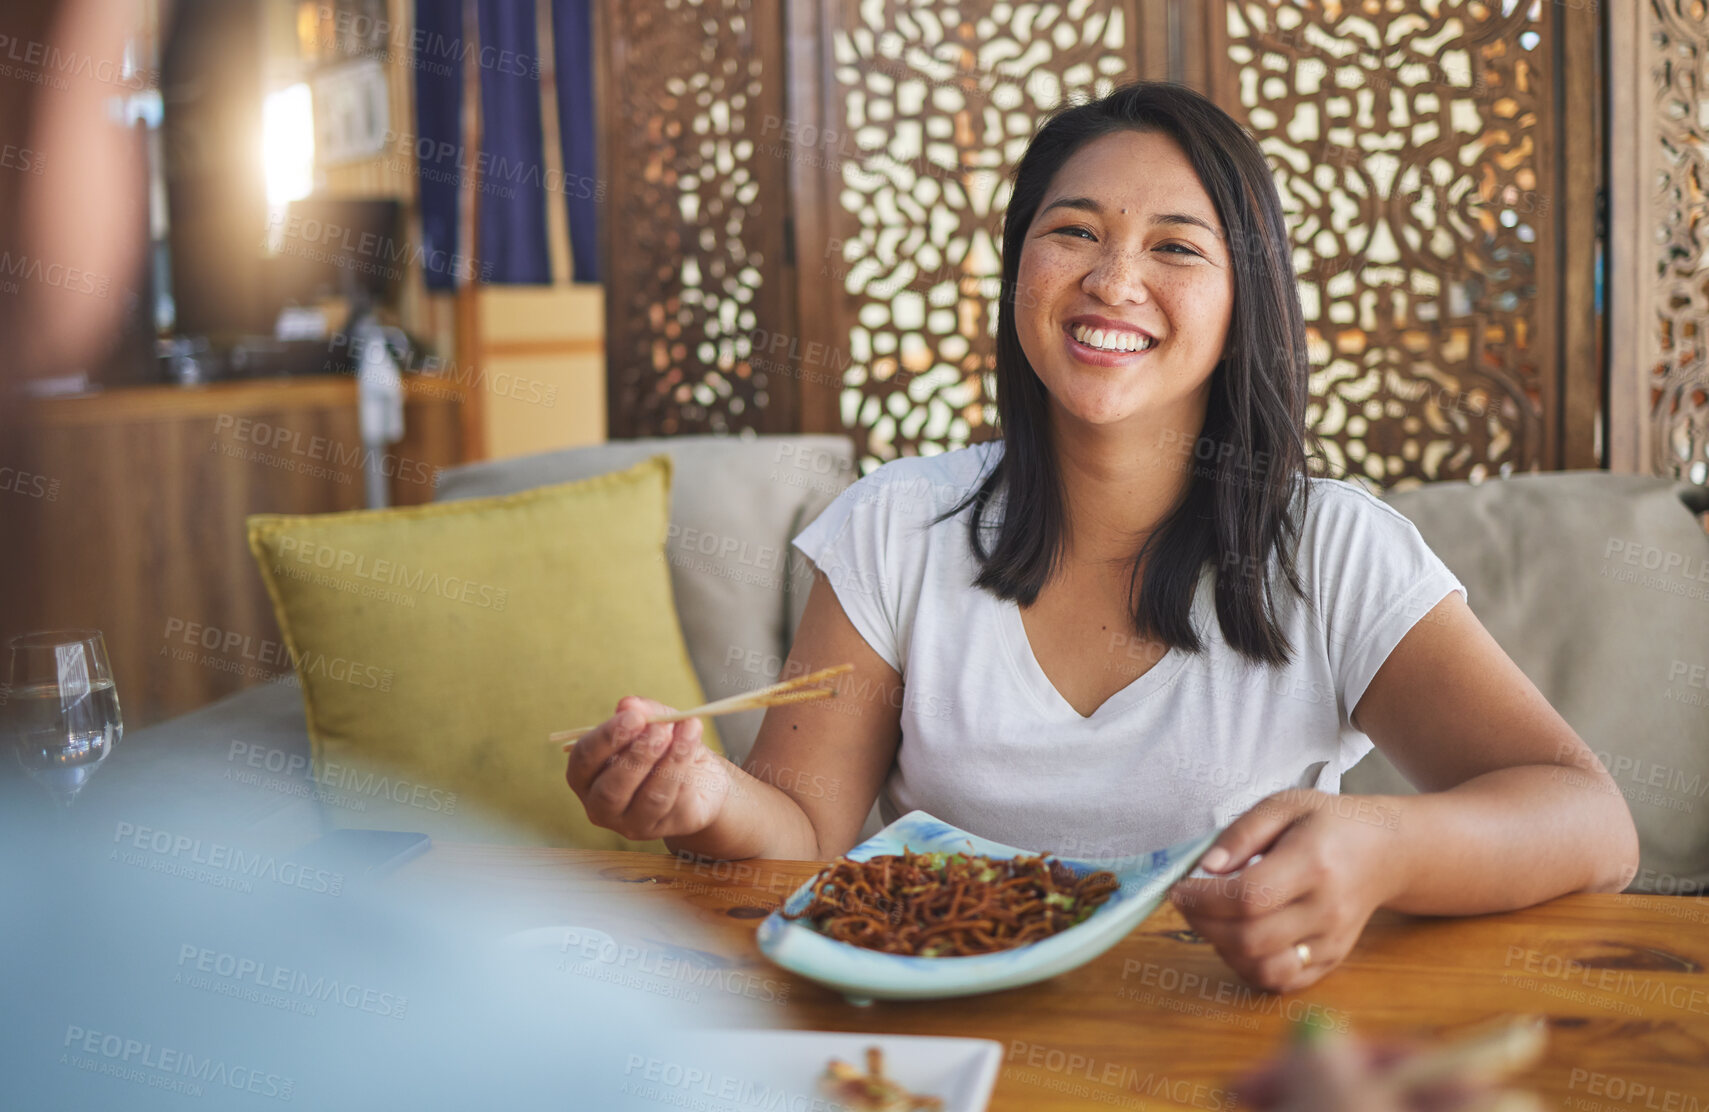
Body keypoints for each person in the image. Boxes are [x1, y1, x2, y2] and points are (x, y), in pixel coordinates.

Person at [564, 82, 1638, 992]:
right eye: (1073, 230)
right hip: (937, 1045)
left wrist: (1384, 847)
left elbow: (1590, 820)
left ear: (1242, 302)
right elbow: (802, 833)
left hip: (1222, 1042)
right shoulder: (896, 526)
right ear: (1019, 270)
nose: (1113, 281)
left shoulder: (1332, 549)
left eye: (1175, 246)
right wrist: (700, 798)